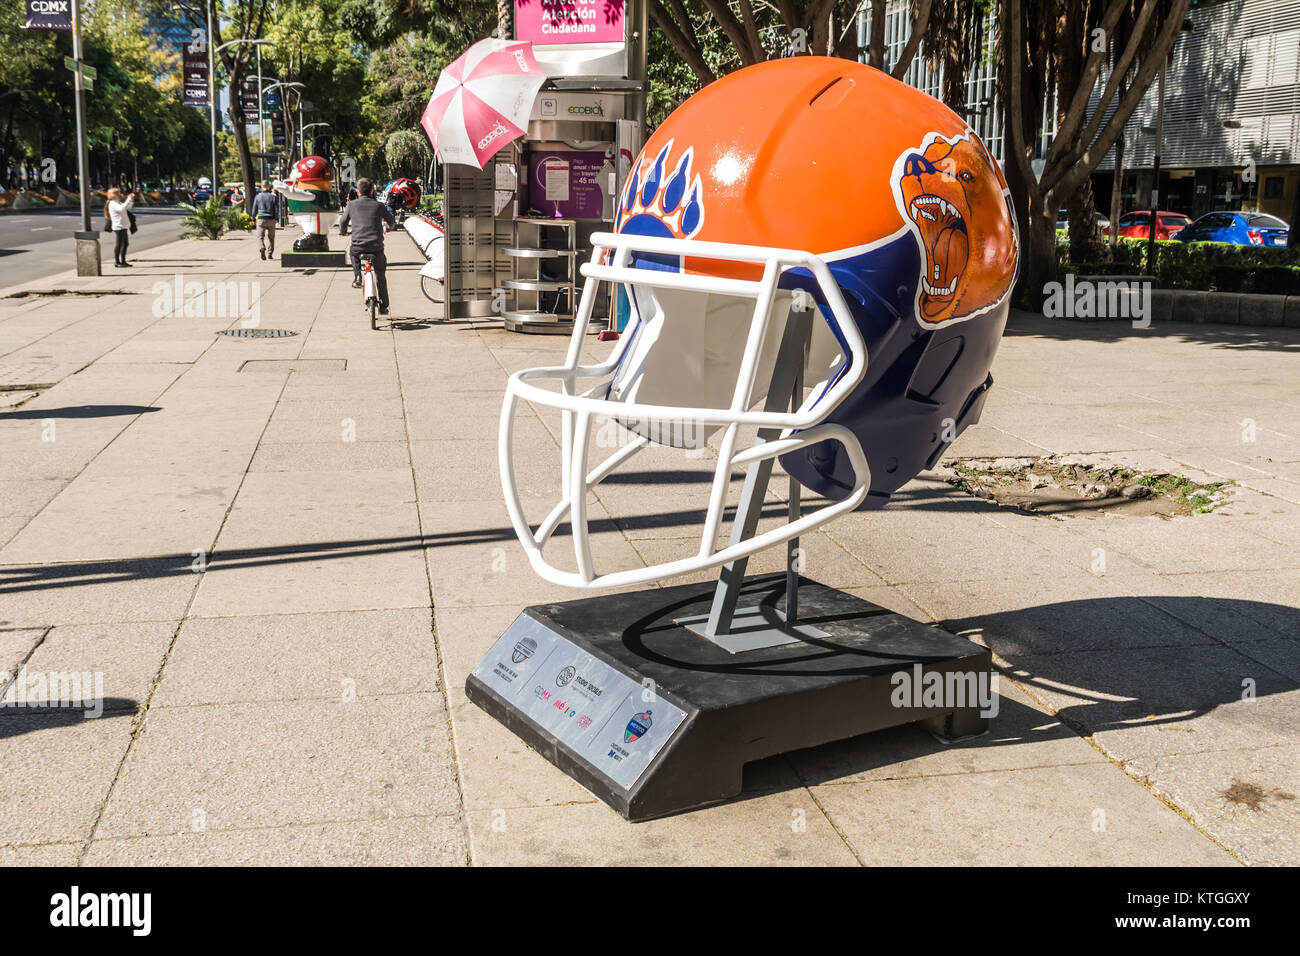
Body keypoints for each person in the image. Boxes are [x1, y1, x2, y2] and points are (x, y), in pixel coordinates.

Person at [338, 178, 396, 314]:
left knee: (352, 253)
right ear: (372, 191)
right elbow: (392, 221)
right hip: (376, 247)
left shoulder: (351, 205)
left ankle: (357, 276)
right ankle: (384, 306)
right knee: (380, 275)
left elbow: (342, 222)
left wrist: (343, 232)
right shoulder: (379, 205)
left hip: (358, 246)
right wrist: (387, 227)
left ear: (357, 191)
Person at [105, 186, 136, 268]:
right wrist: (128, 199)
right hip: (118, 226)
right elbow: (122, 209)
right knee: (119, 244)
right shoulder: (112, 203)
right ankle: (117, 261)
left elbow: (127, 207)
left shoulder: (117, 202)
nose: (119, 195)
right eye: (118, 193)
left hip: (123, 226)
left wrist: (131, 201)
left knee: (125, 244)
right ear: (113, 195)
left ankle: (123, 260)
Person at [251, 182, 278, 259]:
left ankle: (262, 247)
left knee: (260, 237)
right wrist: (276, 219)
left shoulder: (258, 197)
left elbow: (254, 209)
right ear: (269, 187)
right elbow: (276, 210)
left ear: (261, 186)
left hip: (261, 218)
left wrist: (253, 218)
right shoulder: (273, 197)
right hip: (271, 219)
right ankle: (270, 253)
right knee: (271, 237)